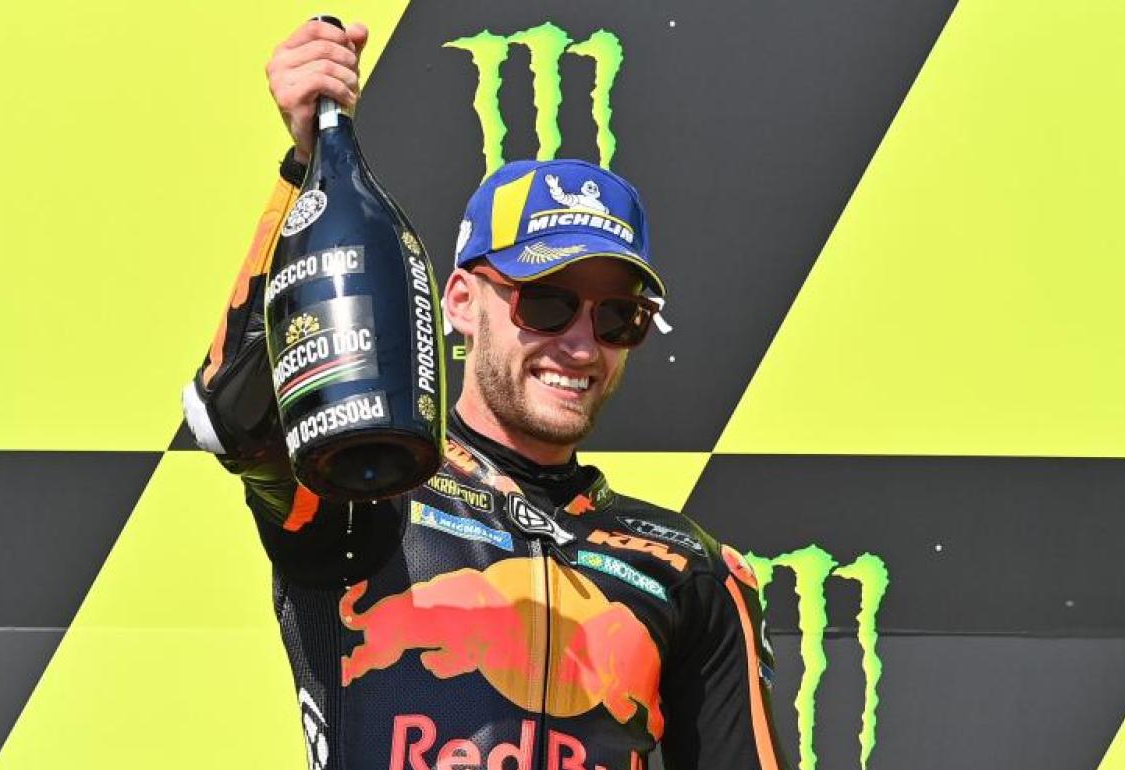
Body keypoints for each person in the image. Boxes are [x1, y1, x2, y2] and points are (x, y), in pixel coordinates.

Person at [182, 17, 789, 770]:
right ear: (462, 302)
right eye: (547, 303)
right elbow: (230, 413)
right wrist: (307, 170)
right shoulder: (367, 482)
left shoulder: (687, 568)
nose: (580, 345)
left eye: (617, 318)